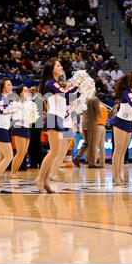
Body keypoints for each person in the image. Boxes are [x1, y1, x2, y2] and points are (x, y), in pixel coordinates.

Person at [35, 58, 78, 193]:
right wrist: (77, 85)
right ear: (51, 69)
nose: (61, 67)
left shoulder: (55, 83)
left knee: (56, 152)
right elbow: (65, 93)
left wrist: (81, 90)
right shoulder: (50, 83)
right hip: (53, 118)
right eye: (58, 65)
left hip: (59, 118)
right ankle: (39, 179)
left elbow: (68, 97)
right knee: (53, 152)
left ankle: (46, 181)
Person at [108, 71, 132, 186]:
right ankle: (116, 176)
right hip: (120, 122)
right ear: (131, 80)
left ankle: (119, 176)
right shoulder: (127, 92)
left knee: (123, 152)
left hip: (128, 122)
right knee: (118, 151)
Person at [72, 96, 101, 168]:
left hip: (84, 123)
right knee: (92, 144)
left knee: (86, 143)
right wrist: (99, 116)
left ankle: (77, 158)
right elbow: (98, 113)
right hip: (91, 124)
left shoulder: (84, 99)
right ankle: (91, 163)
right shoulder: (95, 99)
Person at [10, 85, 31, 179]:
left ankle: (16, 171)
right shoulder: (16, 103)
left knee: (24, 152)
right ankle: (12, 173)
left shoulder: (28, 103)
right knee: (19, 152)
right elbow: (14, 116)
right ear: (21, 93)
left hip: (26, 127)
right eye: (25, 91)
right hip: (19, 127)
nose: (28, 92)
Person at [96, 99, 108, 168]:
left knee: (95, 146)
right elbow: (106, 117)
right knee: (101, 147)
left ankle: (93, 162)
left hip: (97, 126)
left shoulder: (97, 107)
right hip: (103, 127)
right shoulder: (104, 107)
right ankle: (102, 163)